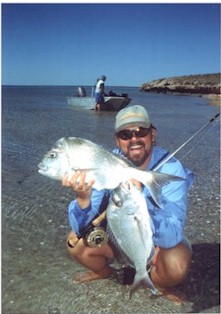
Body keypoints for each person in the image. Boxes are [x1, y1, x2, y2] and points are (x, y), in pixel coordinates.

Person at [62, 105, 195, 304]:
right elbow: (81, 227)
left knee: (177, 264)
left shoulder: (172, 170)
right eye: (125, 134)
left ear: (152, 134)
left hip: (158, 244)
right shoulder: (106, 164)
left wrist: (139, 196)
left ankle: (156, 282)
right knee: (75, 242)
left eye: (141, 131)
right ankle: (110, 274)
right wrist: (83, 198)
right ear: (118, 139)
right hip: (121, 236)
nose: (134, 139)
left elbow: (172, 236)